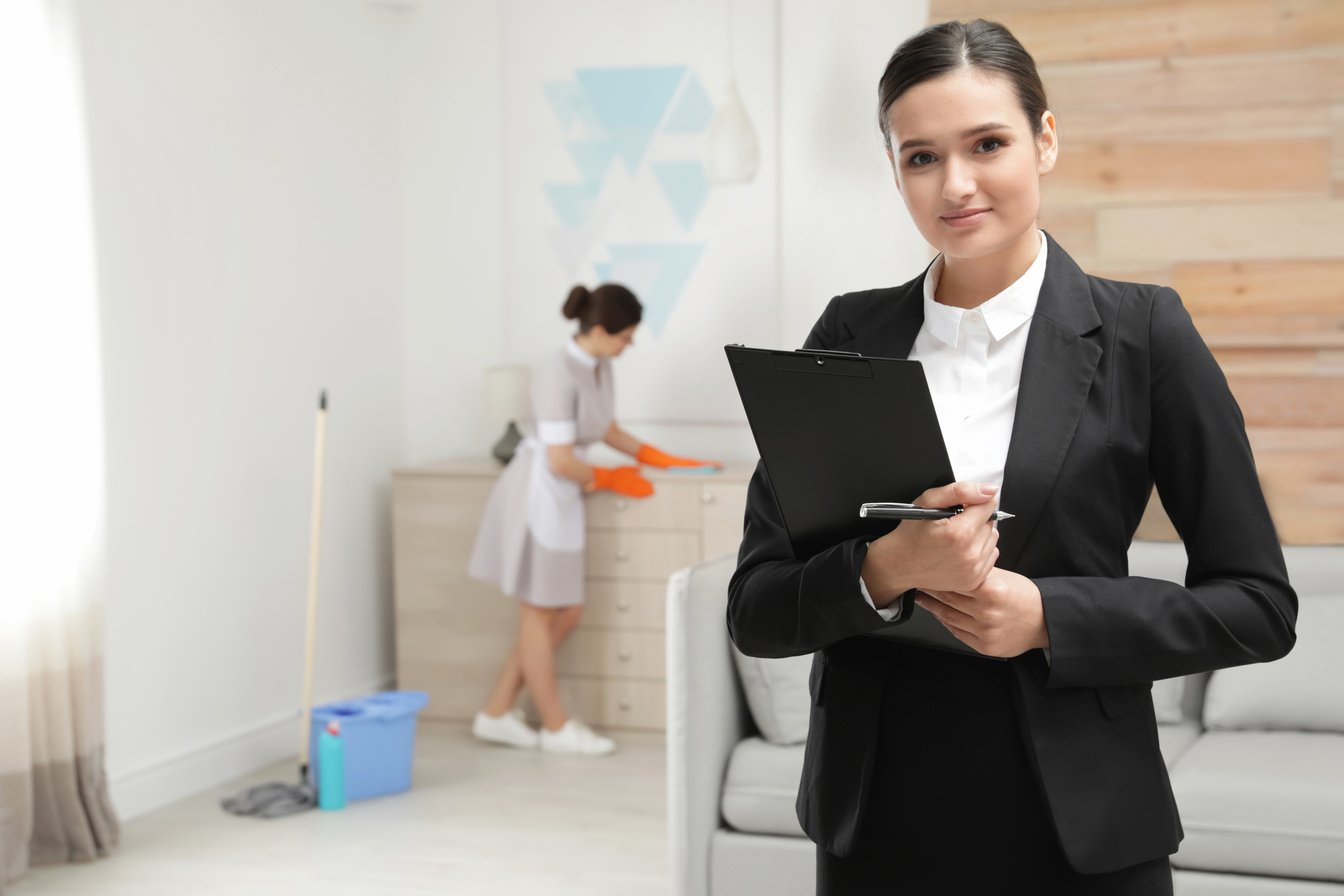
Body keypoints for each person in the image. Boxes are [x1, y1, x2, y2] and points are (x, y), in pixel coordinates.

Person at [727, 19, 1297, 894]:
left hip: (1083, 824)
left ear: (1046, 139)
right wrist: (881, 571)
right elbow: (758, 609)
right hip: (876, 817)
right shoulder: (849, 332)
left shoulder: (1146, 332)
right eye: (921, 157)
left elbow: (1258, 606)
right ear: (894, 170)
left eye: (986, 143)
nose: (955, 184)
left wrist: (1049, 617)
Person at [469, 282, 720, 756]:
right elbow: (562, 459)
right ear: (601, 330)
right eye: (625, 337)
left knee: (564, 611)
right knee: (539, 612)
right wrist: (611, 478)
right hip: (540, 494)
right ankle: (557, 725)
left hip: (566, 495)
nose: (630, 346)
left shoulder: (599, 368)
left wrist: (656, 456)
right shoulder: (556, 376)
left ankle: (497, 711)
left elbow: (604, 429)